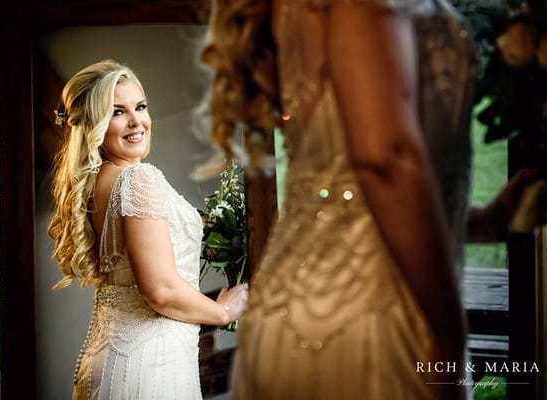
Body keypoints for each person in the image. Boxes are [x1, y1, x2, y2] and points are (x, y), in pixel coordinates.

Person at [199, 0, 480, 398]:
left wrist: (482, 218)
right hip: (367, 319)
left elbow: (343, 186)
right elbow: (385, 160)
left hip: (292, 304)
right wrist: (449, 332)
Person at [47, 59, 248, 400]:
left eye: (140, 107)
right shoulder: (138, 177)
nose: (137, 121)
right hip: (149, 366)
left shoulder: (95, 183)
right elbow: (160, 290)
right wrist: (223, 312)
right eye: (117, 112)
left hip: (110, 358)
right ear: (94, 124)